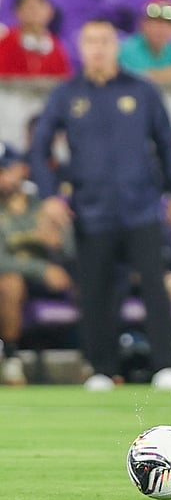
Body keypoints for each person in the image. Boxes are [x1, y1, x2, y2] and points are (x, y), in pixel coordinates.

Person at [29, 19, 171, 392]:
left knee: (155, 286)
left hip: (142, 207)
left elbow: (166, 143)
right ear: (81, 49)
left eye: (104, 40)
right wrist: (50, 195)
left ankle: (165, 366)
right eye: (90, 41)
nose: (98, 48)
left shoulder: (142, 90)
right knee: (95, 291)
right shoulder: (66, 94)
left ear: (116, 46)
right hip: (90, 211)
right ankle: (101, 368)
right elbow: (39, 150)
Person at [0, 142, 74, 385]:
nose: (2, 178)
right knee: (9, 283)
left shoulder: (43, 204)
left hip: (54, 278)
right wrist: (41, 269)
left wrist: (59, 242)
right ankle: (11, 357)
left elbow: (74, 252)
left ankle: (98, 360)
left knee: (90, 278)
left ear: (21, 170)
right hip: (20, 279)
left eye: (5, 170)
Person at [0, 0, 72, 78]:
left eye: (40, 5)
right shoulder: (6, 43)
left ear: (50, 11)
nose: (36, 11)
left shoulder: (57, 47)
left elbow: (63, 80)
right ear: (18, 12)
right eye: (30, 7)